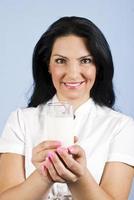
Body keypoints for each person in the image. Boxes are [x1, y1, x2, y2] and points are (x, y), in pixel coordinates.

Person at [0, 16, 134, 200]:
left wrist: (79, 176)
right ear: (47, 65)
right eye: (61, 61)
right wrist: (43, 175)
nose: (72, 74)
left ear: (98, 65)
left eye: (85, 60)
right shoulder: (21, 121)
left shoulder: (122, 127)